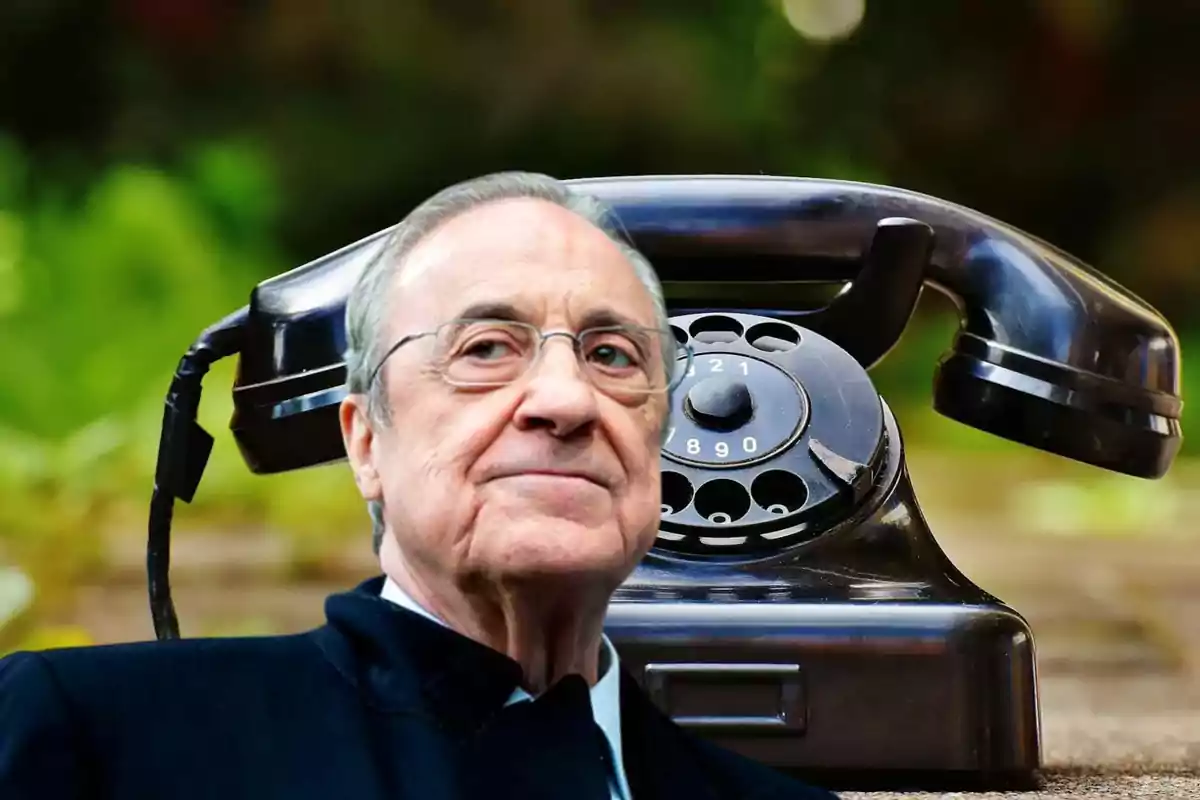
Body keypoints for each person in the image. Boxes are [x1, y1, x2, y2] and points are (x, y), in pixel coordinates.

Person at [0, 172, 837, 799]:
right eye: (485, 349)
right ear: (365, 440)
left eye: (613, 356)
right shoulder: (97, 738)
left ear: (663, 435)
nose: (566, 399)